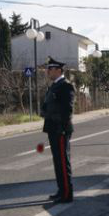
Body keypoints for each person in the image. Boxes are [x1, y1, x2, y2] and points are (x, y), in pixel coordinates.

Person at [40, 56, 76, 203]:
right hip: (53, 128)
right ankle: (61, 190)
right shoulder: (54, 85)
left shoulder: (65, 86)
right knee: (57, 162)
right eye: (48, 69)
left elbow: (67, 110)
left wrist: (60, 125)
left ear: (58, 70)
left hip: (60, 129)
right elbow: (50, 104)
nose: (48, 71)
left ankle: (67, 194)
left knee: (63, 162)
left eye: (50, 69)